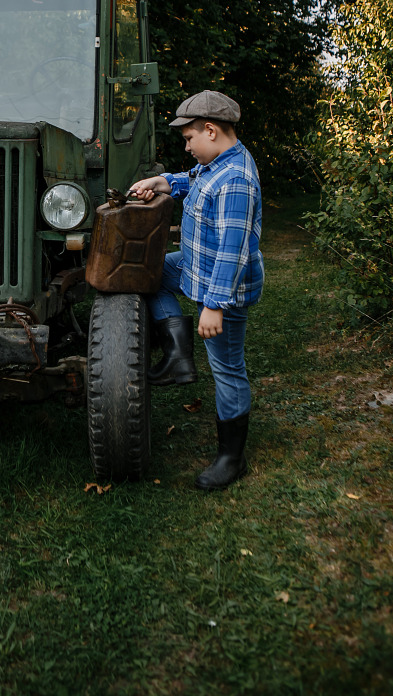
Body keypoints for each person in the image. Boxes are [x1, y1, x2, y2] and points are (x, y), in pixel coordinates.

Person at [130, 89, 264, 490]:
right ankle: (177, 356)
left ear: (210, 130)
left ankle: (230, 458)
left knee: (227, 369)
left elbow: (234, 251)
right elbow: (193, 180)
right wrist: (164, 182)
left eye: (189, 139)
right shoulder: (216, 164)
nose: (186, 147)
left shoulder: (236, 179)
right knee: (145, 272)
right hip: (194, 268)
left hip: (223, 286)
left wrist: (214, 305)